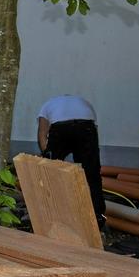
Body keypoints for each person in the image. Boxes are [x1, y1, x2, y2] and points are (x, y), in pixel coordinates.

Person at [37, 94, 105, 224]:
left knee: (50, 172)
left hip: (61, 128)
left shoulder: (46, 106)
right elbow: (93, 132)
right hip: (86, 127)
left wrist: (46, 156)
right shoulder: (84, 103)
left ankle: (50, 212)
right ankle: (97, 216)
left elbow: (42, 133)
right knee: (91, 174)